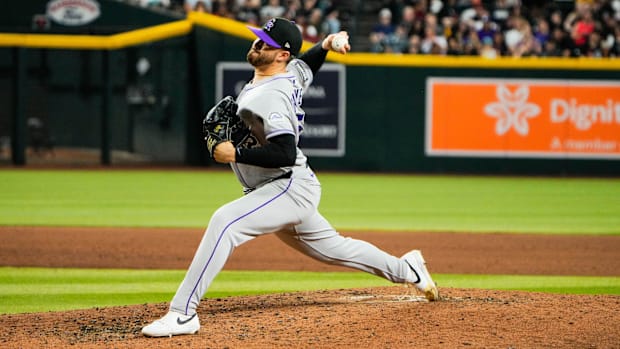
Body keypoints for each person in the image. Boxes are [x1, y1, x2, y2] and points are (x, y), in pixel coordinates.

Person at [141, 17, 439, 338]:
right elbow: (307, 63)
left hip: (286, 186)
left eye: (264, 42)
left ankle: (183, 314)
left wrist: (235, 154)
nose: (256, 43)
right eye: (257, 38)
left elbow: (284, 151)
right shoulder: (288, 74)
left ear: (282, 55)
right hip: (283, 186)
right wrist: (326, 43)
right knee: (336, 249)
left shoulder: (270, 96)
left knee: (225, 222)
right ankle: (408, 269)